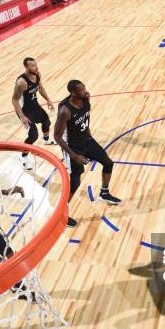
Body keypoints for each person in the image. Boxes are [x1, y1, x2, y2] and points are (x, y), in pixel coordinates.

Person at [54, 80, 121, 227]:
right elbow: (57, 137)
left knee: (108, 163)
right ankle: (61, 214)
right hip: (73, 147)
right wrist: (74, 155)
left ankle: (104, 193)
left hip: (87, 140)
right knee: (76, 181)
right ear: (72, 93)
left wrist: (89, 134)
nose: (84, 91)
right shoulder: (65, 111)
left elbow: (86, 119)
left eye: (84, 88)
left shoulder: (86, 99)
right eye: (81, 89)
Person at [12, 58, 55, 169]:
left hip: (34, 105)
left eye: (36, 65)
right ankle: (23, 157)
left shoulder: (37, 74)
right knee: (33, 135)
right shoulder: (21, 82)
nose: (36, 67)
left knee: (46, 122)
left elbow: (40, 88)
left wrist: (48, 100)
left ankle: (46, 140)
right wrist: (22, 116)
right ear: (26, 67)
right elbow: (15, 100)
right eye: (32, 66)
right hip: (24, 110)